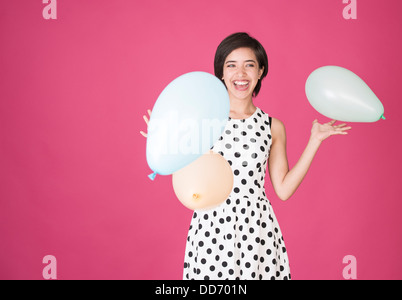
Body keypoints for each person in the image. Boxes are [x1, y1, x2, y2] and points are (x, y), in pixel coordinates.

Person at [141, 32, 351, 280]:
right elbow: (188, 175)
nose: (240, 74)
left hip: (257, 229)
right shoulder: (202, 119)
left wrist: (314, 141)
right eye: (231, 65)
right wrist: (165, 143)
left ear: (260, 71)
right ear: (221, 72)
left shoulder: (273, 127)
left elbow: (283, 190)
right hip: (212, 229)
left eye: (249, 65)